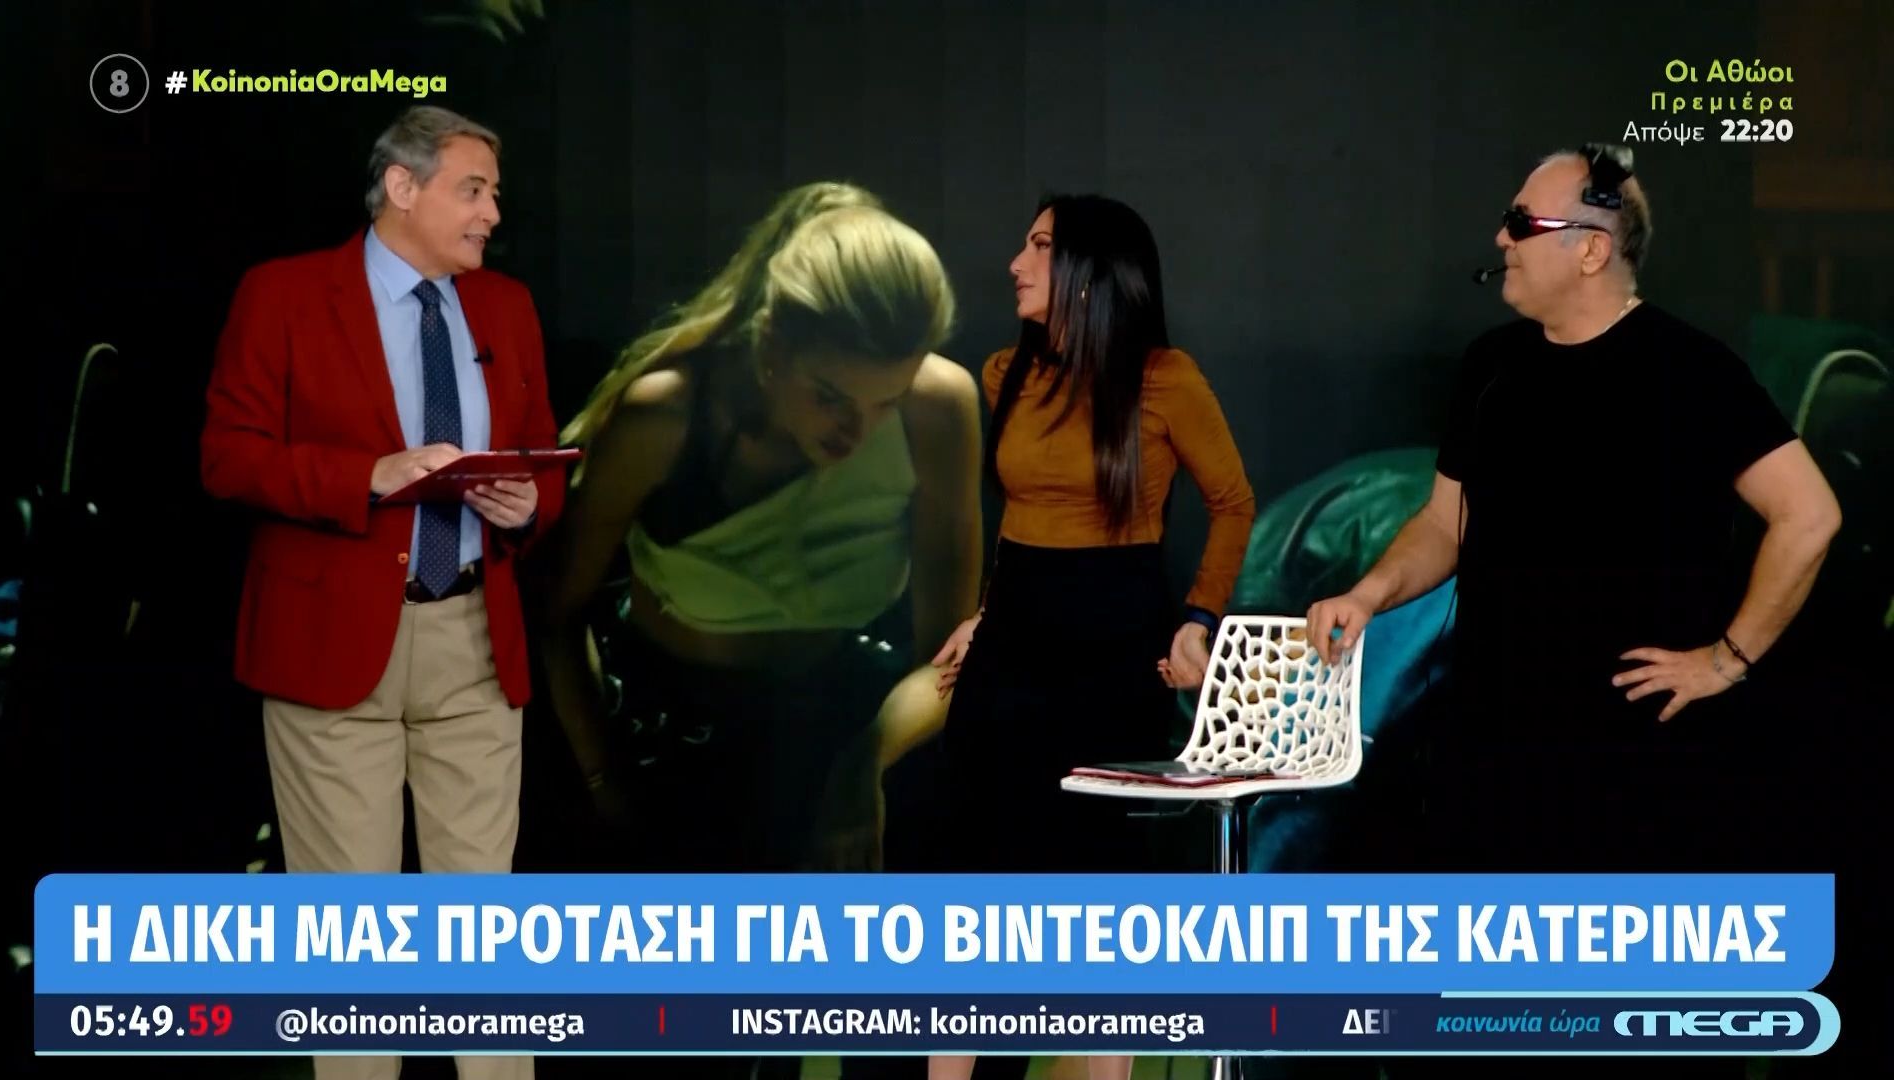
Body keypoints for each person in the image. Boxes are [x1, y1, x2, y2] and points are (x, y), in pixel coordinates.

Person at [1305, 144, 1841, 875]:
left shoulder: (1692, 371)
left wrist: (1727, 660)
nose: (1501, 238)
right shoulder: (1490, 366)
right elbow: (1442, 524)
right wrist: (1368, 595)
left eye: (1522, 223)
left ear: (1591, 250)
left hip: (1635, 763)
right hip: (1492, 749)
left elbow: (1809, 514)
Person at [201, 105, 560, 1080]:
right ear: (402, 187)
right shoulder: (283, 295)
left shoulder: (507, 307)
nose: (492, 213)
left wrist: (529, 501)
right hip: (330, 646)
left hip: (475, 643)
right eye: (473, 190)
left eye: (494, 193)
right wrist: (367, 475)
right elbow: (228, 457)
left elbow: (541, 458)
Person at [539, 182, 981, 889]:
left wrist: (864, 762)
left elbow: (950, 659)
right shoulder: (667, 417)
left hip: (850, 728)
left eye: (886, 401)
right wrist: (604, 783)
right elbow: (556, 614)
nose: (856, 430)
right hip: (669, 737)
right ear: (772, 342)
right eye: (830, 396)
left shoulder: (939, 406)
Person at [929, 194, 1256, 1080]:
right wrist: (987, 612)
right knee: (972, 897)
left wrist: (1198, 620)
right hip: (1012, 656)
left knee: (1095, 908)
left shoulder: (1165, 379)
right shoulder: (1005, 373)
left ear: (1088, 273)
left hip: (1113, 657)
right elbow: (1021, 522)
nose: (1015, 263)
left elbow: (1232, 504)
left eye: (1039, 246)